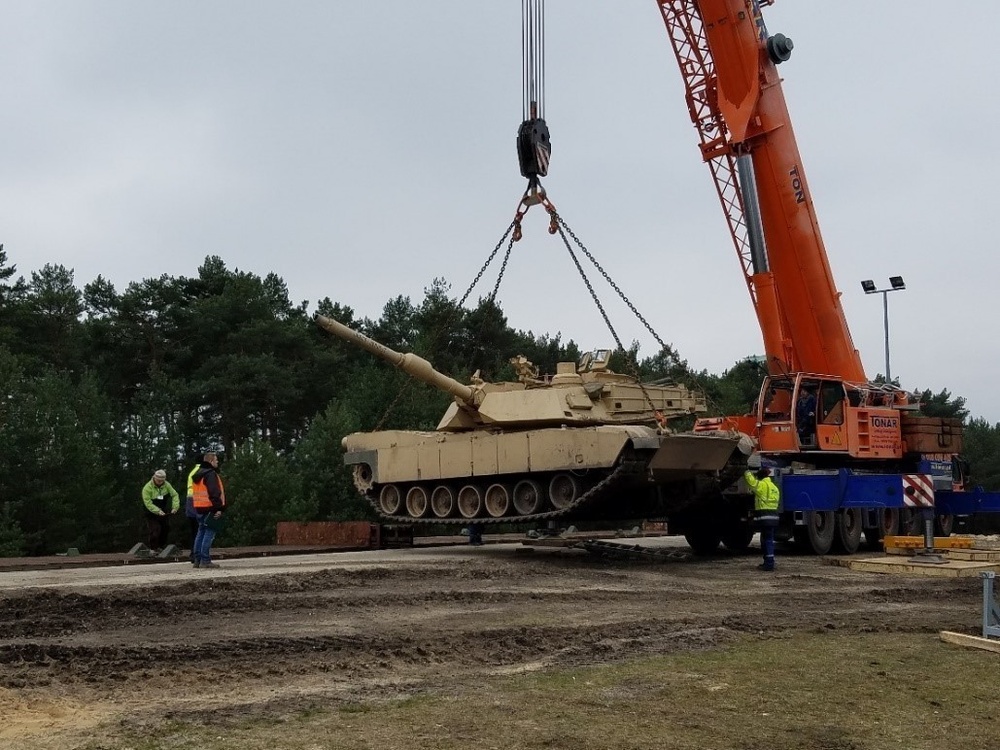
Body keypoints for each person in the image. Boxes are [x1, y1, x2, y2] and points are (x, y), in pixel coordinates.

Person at [191, 452, 226, 569]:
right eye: (216, 460)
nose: (217, 462)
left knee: (200, 532)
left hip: (199, 507)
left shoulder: (198, 474)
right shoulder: (210, 474)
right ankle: (205, 560)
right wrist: (218, 508)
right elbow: (214, 492)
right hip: (210, 507)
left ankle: (197, 559)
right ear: (211, 461)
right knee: (209, 533)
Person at [745, 464, 780, 572]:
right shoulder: (775, 488)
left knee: (767, 540)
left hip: (764, 517)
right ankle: (768, 562)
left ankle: (769, 564)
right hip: (773, 517)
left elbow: (751, 482)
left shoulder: (762, 486)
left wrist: (746, 471)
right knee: (768, 539)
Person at [141, 469, 180, 552]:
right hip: (151, 513)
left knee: (166, 528)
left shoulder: (167, 485)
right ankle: (153, 548)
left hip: (163, 511)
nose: (160, 482)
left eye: (162, 480)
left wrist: (175, 507)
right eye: (158, 480)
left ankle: (160, 547)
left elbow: (175, 495)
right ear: (154, 478)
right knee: (155, 530)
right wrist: (157, 511)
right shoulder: (147, 488)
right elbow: (148, 503)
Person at [184, 463, 200, 563]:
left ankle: (194, 554)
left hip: (191, 503)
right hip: (197, 503)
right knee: (199, 531)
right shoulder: (201, 471)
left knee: (195, 531)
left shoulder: (194, 471)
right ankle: (196, 555)